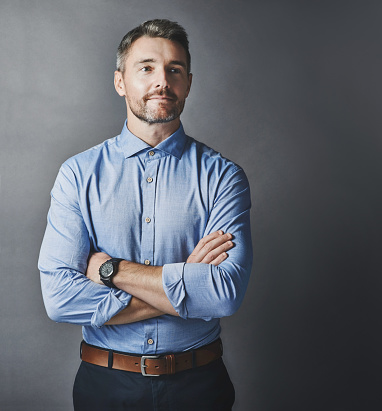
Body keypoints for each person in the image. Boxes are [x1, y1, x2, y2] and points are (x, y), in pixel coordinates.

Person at [39, 19, 252, 411]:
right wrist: (187, 279)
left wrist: (112, 271)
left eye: (174, 70)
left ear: (188, 82)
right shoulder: (78, 174)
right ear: (120, 82)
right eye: (147, 67)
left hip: (199, 386)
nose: (162, 80)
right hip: (104, 385)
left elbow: (223, 293)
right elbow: (59, 299)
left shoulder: (223, 177)